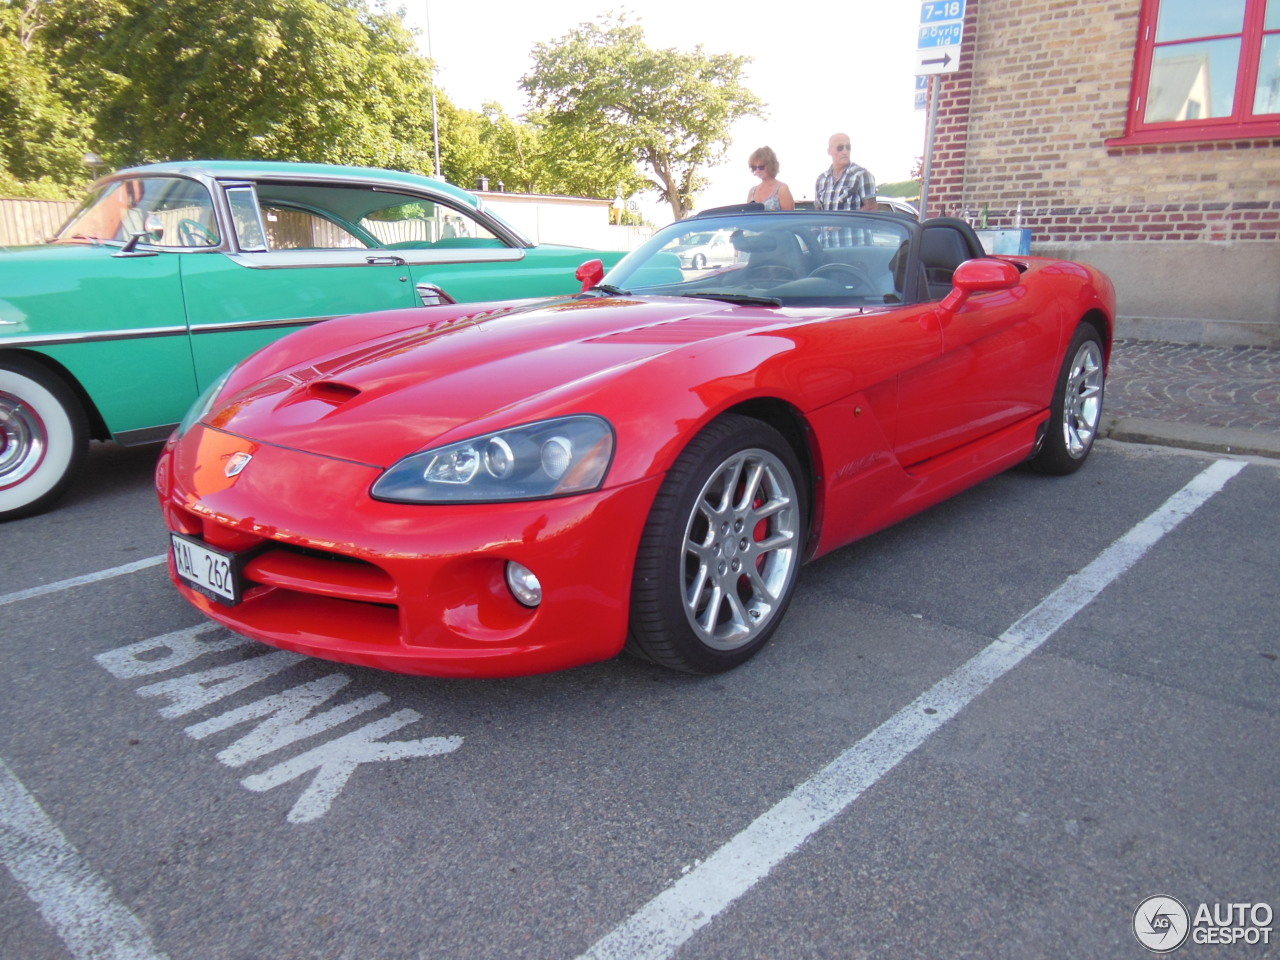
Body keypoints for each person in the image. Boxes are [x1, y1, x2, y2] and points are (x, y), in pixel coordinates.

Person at [814, 133, 876, 212]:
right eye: (840, 148)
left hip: (853, 224)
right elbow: (818, 212)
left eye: (848, 147)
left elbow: (872, 208)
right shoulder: (821, 180)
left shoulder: (862, 176)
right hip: (826, 225)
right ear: (829, 151)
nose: (845, 151)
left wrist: (841, 223)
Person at [745, 146, 795, 211]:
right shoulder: (752, 192)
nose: (757, 170)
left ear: (771, 166)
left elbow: (790, 218)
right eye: (754, 167)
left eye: (761, 167)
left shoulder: (782, 189)